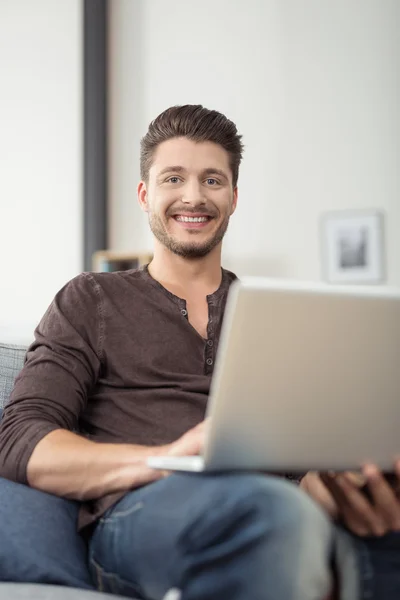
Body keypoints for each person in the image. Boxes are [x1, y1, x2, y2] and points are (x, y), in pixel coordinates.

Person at [0, 104, 400, 600]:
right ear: (145, 195)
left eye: (212, 180)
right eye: (173, 178)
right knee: (271, 515)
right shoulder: (91, 299)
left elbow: (297, 475)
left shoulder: (275, 318)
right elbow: (20, 439)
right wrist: (165, 459)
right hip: (143, 516)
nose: (193, 196)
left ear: (233, 198)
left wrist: (347, 487)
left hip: (275, 510)